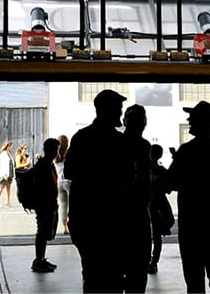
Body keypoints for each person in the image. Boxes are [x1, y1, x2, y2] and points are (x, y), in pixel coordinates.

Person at [64, 89, 133, 293]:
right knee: (113, 277)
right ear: (106, 110)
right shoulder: (119, 142)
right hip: (112, 221)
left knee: (92, 275)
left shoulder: (81, 138)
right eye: (118, 109)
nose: (120, 113)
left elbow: (70, 171)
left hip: (86, 220)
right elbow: (128, 177)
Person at [168, 101, 210, 293]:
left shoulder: (186, 151)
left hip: (191, 224)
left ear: (202, 122)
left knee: (194, 280)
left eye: (192, 117)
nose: (188, 120)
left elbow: (172, 183)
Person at [122, 104, 152, 293]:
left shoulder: (116, 143)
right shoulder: (143, 146)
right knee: (139, 268)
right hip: (138, 211)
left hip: (119, 212)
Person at [31, 138, 61, 273]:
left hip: (48, 204)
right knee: (42, 232)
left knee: (44, 232)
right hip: (45, 205)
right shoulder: (43, 165)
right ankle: (38, 260)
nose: (56, 153)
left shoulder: (47, 164)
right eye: (55, 150)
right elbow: (42, 187)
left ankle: (41, 259)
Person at [148, 144, 174, 275]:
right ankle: (153, 262)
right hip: (159, 205)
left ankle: (148, 261)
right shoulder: (161, 171)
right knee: (156, 236)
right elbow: (170, 187)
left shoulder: (142, 169)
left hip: (147, 204)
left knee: (147, 235)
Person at [55, 134, 71, 235]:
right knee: (73, 204)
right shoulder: (69, 153)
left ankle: (64, 227)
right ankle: (72, 224)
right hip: (69, 182)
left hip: (59, 182)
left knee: (63, 205)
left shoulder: (55, 154)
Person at [0, 141, 15, 207]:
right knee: (1, 187)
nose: (11, 148)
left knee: (8, 187)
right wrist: (4, 174)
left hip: (10, 173)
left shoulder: (9, 154)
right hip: (5, 174)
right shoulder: (3, 154)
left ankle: (7, 201)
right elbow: (3, 165)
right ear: (7, 146)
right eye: (11, 146)